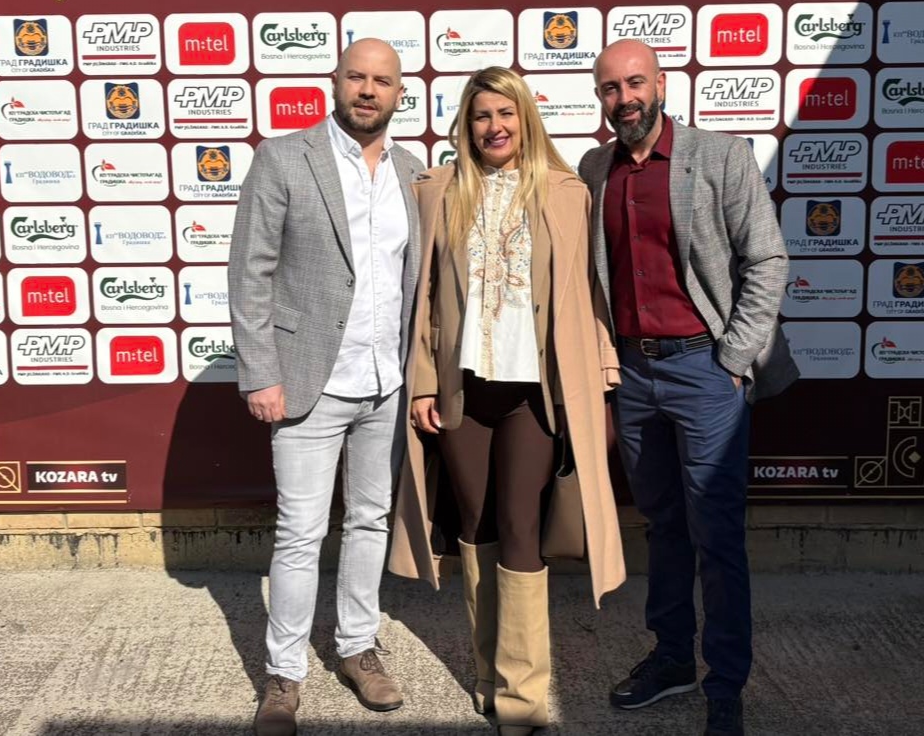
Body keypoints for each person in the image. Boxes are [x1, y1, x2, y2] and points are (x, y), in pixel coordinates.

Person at [388, 66, 626, 736]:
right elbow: (424, 300)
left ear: (525, 118)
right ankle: (487, 673)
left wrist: (603, 369)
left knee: (521, 527)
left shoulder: (566, 193)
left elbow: (589, 289)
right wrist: (424, 380)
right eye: (481, 115)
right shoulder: (436, 191)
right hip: (464, 389)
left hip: (533, 394)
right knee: (475, 526)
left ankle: (521, 697)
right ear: (466, 125)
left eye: (505, 113)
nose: (494, 127)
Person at [579, 40, 798, 736]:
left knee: (716, 533)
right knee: (663, 526)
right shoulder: (594, 169)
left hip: (705, 369)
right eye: (610, 88)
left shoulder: (720, 156)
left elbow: (766, 259)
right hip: (633, 374)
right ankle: (672, 659)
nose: (625, 99)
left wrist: (732, 359)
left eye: (635, 83)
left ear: (661, 84)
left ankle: (725, 683)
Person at [228, 38, 425, 736]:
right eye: (356, 77)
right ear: (334, 82)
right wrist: (261, 373)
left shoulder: (412, 172)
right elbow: (250, 271)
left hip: (387, 381)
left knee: (370, 521)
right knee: (300, 533)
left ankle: (356, 648)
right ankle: (283, 675)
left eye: (382, 80)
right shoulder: (285, 158)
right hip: (307, 381)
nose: (368, 90)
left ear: (399, 92)